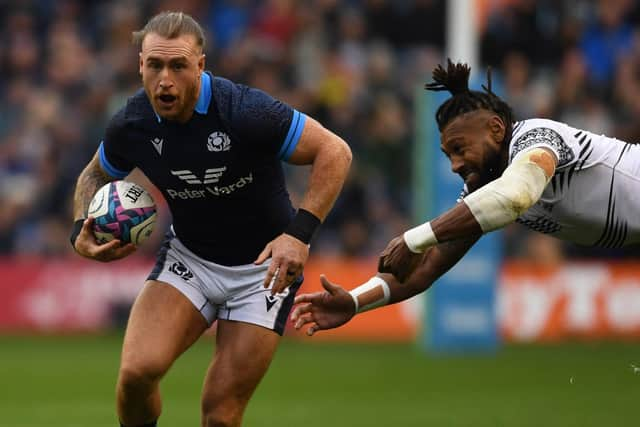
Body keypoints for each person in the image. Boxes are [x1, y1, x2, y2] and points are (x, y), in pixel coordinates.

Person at [70, 11, 351, 427]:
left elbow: (335, 151)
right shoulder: (132, 123)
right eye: (155, 65)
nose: (165, 79)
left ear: (201, 66)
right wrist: (80, 229)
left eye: (178, 65)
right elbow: (95, 172)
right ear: (140, 66)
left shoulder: (243, 110)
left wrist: (299, 235)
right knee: (135, 375)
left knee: (219, 415)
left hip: (262, 272)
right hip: (190, 261)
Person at [291, 59, 640, 336]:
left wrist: (414, 237)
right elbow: (425, 267)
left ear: (496, 130)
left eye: (460, 149)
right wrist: (354, 301)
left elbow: (516, 196)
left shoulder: (538, 138)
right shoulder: (482, 192)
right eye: (448, 155)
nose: (456, 164)